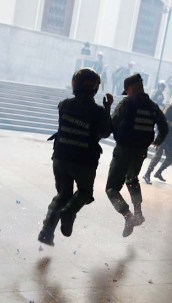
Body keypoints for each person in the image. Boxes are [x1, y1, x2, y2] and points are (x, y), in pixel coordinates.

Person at [38, 68, 114, 246]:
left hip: (61, 157)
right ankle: (70, 212)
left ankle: (46, 232)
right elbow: (105, 132)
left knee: (63, 195)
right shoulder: (98, 112)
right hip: (84, 161)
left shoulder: (64, 105)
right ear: (95, 88)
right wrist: (107, 109)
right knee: (85, 193)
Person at [106, 74, 169, 237]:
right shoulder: (153, 106)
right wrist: (158, 139)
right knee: (132, 180)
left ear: (131, 89)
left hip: (123, 150)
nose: (126, 94)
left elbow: (111, 124)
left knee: (112, 188)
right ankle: (138, 212)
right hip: (140, 151)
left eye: (127, 91)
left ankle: (128, 216)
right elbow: (164, 126)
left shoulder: (127, 102)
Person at [143, 93, 172, 183]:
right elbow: (161, 121)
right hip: (163, 134)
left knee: (170, 157)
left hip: (170, 135)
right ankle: (147, 174)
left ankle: (159, 172)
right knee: (158, 155)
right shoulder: (168, 108)